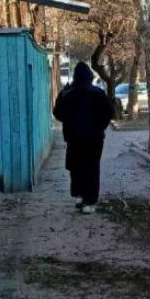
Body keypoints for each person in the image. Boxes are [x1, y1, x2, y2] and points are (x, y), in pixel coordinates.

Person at [53, 62, 114, 214]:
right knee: (92, 167)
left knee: (76, 167)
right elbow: (108, 113)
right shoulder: (97, 93)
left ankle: (79, 195)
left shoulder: (66, 93)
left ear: (75, 76)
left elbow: (57, 113)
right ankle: (90, 201)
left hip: (74, 138)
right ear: (90, 76)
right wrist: (100, 127)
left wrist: (69, 122)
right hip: (94, 138)